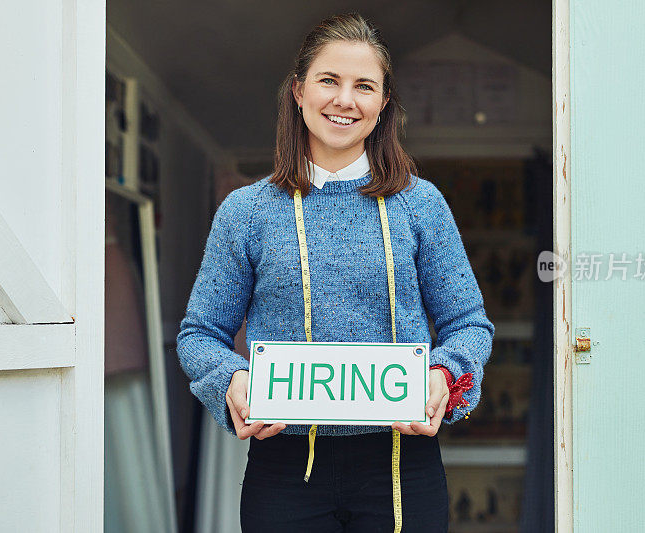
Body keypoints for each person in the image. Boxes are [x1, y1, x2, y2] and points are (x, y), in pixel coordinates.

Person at [176, 12, 494, 532]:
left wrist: (444, 374)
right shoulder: (246, 211)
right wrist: (231, 378)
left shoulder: (422, 205)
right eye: (329, 81)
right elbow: (199, 335)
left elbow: (468, 324)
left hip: (400, 467)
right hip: (283, 469)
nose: (345, 100)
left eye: (363, 86)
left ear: (382, 104)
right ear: (298, 92)